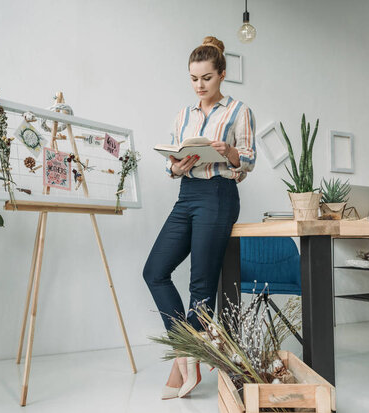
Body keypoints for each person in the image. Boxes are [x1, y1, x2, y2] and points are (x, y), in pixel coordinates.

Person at [143, 35, 256, 399]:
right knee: (155, 271)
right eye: (193, 78)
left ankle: (180, 373)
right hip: (187, 195)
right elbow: (171, 163)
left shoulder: (238, 112)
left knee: (200, 287)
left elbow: (249, 161)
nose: (199, 85)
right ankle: (187, 352)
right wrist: (175, 166)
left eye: (206, 78)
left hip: (219, 195)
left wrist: (230, 151)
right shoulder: (183, 115)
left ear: (221, 74)